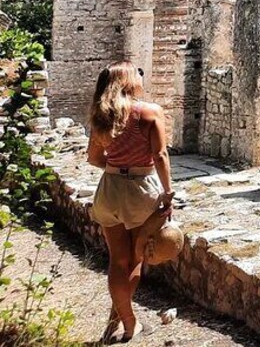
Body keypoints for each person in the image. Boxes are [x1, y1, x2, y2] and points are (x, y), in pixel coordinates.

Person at [87, 62, 173, 343]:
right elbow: (160, 155)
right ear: (128, 81)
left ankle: (118, 317)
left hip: (109, 189)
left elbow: (94, 158)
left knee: (117, 260)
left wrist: (117, 167)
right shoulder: (149, 112)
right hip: (141, 190)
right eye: (137, 74)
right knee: (136, 258)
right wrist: (168, 193)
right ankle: (128, 321)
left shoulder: (102, 115)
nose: (141, 77)